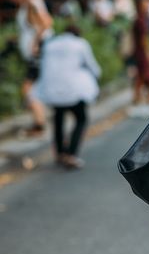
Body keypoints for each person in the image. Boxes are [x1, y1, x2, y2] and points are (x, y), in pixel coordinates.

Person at [32, 24, 101, 169]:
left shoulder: (51, 44)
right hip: (74, 89)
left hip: (52, 89)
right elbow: (92, 66)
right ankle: (71, 154)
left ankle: (59, 153)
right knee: (81, 118)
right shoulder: (80, 44)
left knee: (58, 119)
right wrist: (96, 77)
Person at [2, 0, 53, 135]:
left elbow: (46, 22)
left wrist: (36, 43)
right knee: (33, 89)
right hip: (32, 55)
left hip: (38, 54)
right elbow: (30, 29)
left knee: (28, 88)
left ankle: (40, 124)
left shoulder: (32, 1)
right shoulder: (24, 6)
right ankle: (39, 122)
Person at [131, 0, 149, 105]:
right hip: (142, 53)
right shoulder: (140, 21)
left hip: (140, 52)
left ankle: (139, 96)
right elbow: (143, 39)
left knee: (143, 75)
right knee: (146, 75)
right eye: (145, 3)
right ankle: (143, 96)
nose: (147, 6)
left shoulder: (141, 19)